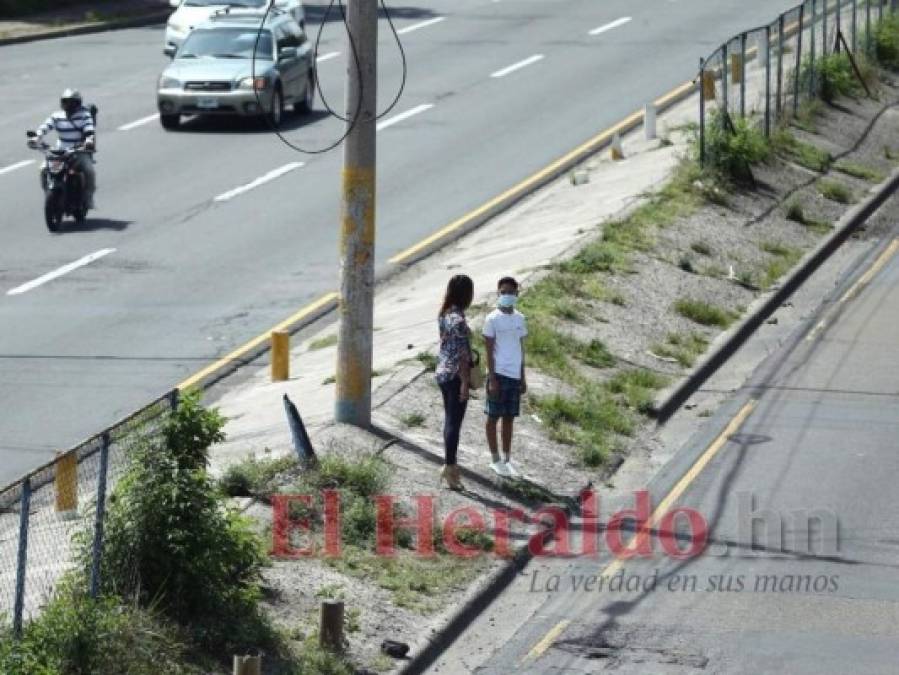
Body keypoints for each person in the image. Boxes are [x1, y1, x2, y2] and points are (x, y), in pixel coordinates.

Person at [483, 276, 527, 478]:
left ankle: (507, 459)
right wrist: (492, 378)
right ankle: (495, 459)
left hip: (514, 375)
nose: (507, 295)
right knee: (493, 417)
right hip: (498, 374)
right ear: (498, 293)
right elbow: (488, 350)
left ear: (517, 294)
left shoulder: (520, 318)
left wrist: (522, 376)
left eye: (511, 292)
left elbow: (521, 348)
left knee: (509, 418)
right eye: (504, 292)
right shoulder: (491, 319)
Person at [435, 274, 475, 491]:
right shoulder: (458, 320)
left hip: (442, 372)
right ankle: (450, 468)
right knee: (454, 423)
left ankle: (449, 466)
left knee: (450, 420)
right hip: (455, 376)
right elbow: (462, 354)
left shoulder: (445, 314)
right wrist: (465, 383)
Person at [32, 88, 96, 209]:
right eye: (66, 102)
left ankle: (88, 198)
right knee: (43, 169)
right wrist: (36, 137)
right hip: (59, 150)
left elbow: (89, 130)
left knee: (89, 171)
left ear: (78, 103)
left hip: (78, 150)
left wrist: (88, 141)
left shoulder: (84, 115)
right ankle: (49, 193)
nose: (68, 105)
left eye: (71, 102)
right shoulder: (57, 115)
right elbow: (45, 126)